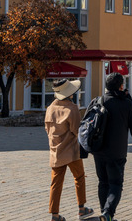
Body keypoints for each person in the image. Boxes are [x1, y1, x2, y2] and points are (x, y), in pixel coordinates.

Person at [92, 73, 132, 221]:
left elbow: (86, 126)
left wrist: (84, 150)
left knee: (103, 182)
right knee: (115, 184)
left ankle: (105, 213)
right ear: (121, 86)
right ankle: (107, 213)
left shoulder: (98, 101)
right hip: (117, 152)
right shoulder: (126, 104)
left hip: (99, 151)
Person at [44, 78, 96, 221]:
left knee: (56, 183)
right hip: (72, 151)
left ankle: (54, 214)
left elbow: (47, 129)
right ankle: (81, 208)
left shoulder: (49, 109)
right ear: (70, 93)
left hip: (56, 152)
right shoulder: (72, 108)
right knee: (79, 178)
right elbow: (76, 130)